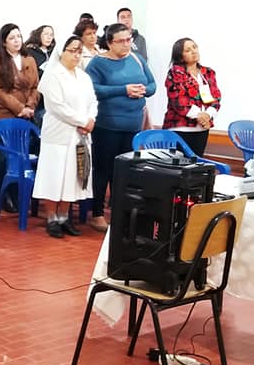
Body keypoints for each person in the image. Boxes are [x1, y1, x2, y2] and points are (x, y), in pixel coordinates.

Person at [85, 22, 156, 232]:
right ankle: (97, 213)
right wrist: (123, 90)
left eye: (129, 40)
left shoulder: (136, 58)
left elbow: (152, 84)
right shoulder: (98, 63)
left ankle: (120, 212)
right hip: (108, 125)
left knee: (125, 171)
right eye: (121, 41)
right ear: (109, 43)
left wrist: (142, 90)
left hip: (133, 125)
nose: (126, 44)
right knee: (104, 169)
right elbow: (92, 89)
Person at [31, 36, 97, 238]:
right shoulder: (53, 75)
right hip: (58, 134)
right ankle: (51, 217)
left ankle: (64, 216)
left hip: (80, 135)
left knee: (73, 177)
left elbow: (93, 101)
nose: (77, 55)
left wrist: (91, 119)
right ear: (62, 52)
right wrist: (82, 121)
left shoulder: (83, 76)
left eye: (80, 51)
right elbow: (57, 107)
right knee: (55, 175)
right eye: (73, 51)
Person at [0, 23, 39, 213]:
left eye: (18, 36)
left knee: (23, 157)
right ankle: (4, 196)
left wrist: (30, 106)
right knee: (3, 159)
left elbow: (35, 87)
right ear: (4, 42)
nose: (17, 41)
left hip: (25, 116)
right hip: (3, 116)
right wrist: (19, 108)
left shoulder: (29, 59)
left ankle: (20, 195)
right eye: (12, 38)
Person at [162, 37, 221, 157]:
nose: (193, 51)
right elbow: (179, 102)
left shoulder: (208, 72)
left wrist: (208, 115)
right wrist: (200, 116)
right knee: (179, 165)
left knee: (197, 164)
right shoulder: (175, 73)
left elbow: (216, 97)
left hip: (202, 128)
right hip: (181, 128)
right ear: (180, 56)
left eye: (194, 47)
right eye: (188, 50)